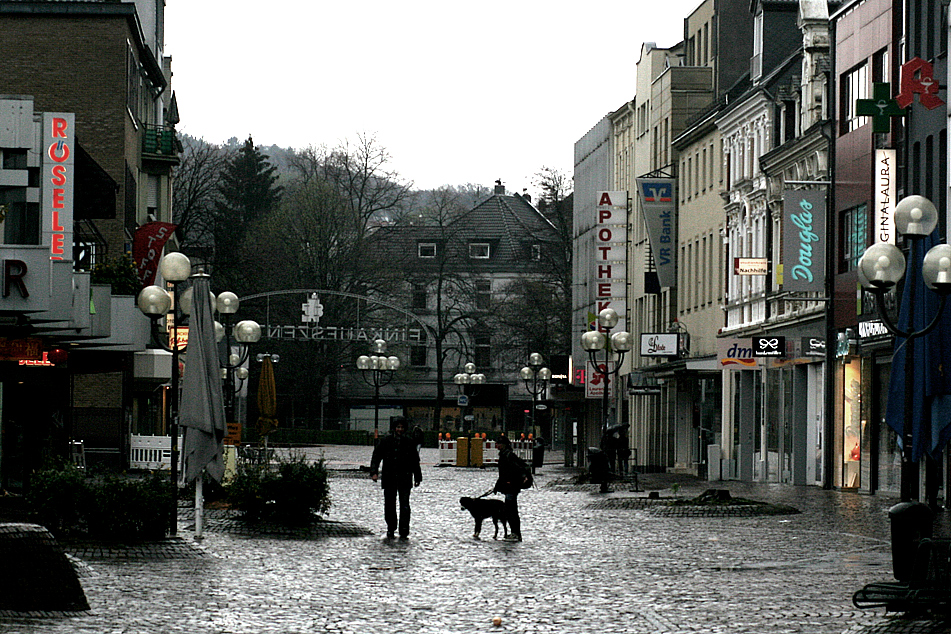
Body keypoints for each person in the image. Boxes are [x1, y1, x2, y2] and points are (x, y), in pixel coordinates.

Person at [370, 416, 422, 539]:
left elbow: (415, 461)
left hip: (405, 477)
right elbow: (376, 456)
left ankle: (404, 529)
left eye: (402, 427)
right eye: (398, 427)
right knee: (389, 504)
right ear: (394, 428)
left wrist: (417, 477)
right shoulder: (386, 441)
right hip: (389, 477)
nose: (400, 429)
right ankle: (391, 527)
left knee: (404, 504)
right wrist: (374, 472)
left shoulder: (409, 442)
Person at [493, 435, 531, 541]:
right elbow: (503, 474)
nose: (497, 445)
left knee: (511, 511)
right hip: (509, 487)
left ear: (504, 445)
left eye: (498, 443)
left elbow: (515, 470)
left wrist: (511, 481)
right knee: (510, 510)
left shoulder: (508, 456)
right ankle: (514, 533)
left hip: (511, 487)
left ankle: (516, 533)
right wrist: (498, 486)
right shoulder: (504, 455)